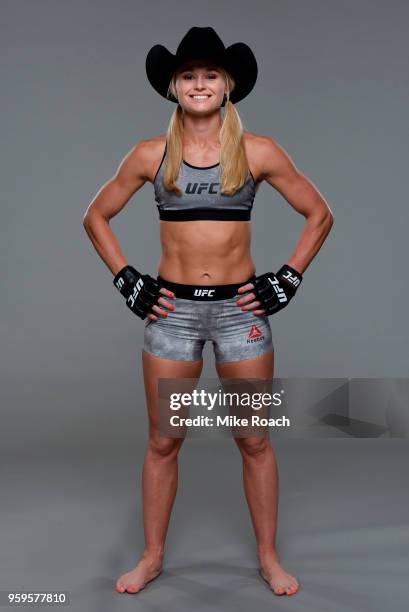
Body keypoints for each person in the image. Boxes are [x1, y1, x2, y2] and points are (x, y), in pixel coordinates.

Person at [83, 26, 334, 597]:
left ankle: (268, 559)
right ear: (174, 87)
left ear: (228, 85)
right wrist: (127, 279)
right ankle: (151, 558)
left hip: (239, 313)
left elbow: (319, 213)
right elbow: (95, 216)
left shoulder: (257, 151)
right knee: (164, 441)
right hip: (171, 314)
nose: (200, 84)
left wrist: (288, 278)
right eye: (190, 75)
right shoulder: (151, 154)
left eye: (211, 75)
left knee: (254, 439)